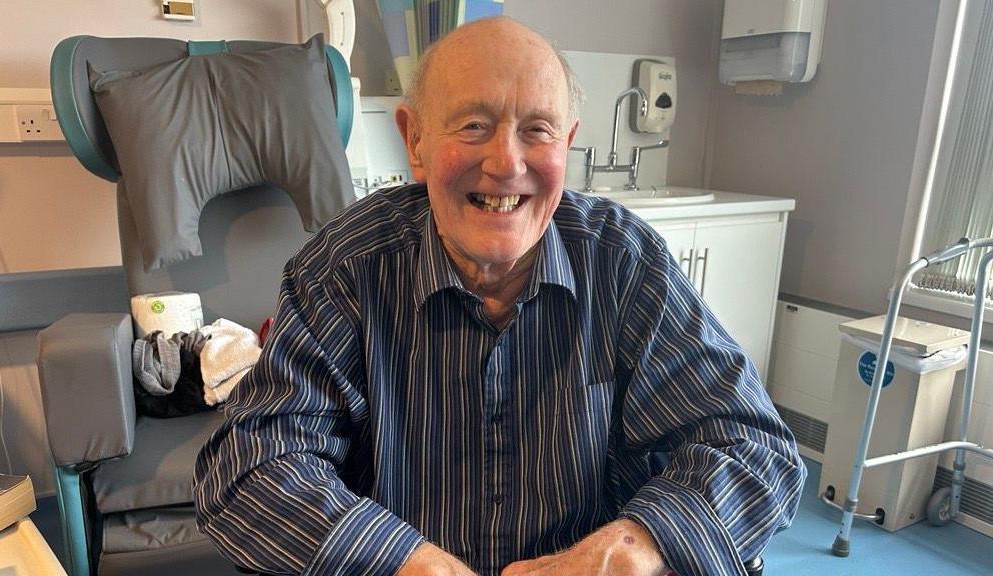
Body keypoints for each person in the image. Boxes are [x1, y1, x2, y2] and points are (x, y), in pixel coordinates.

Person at [194, 16, 806, 576]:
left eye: (536, 130)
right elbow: (249, 465)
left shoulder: (624, 262)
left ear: (566, 145)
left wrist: (637, 543)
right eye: (474, 126)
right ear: (416, 143)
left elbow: (753, 446)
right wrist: (401, 561)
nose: (506, 162)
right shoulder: (346, 269)